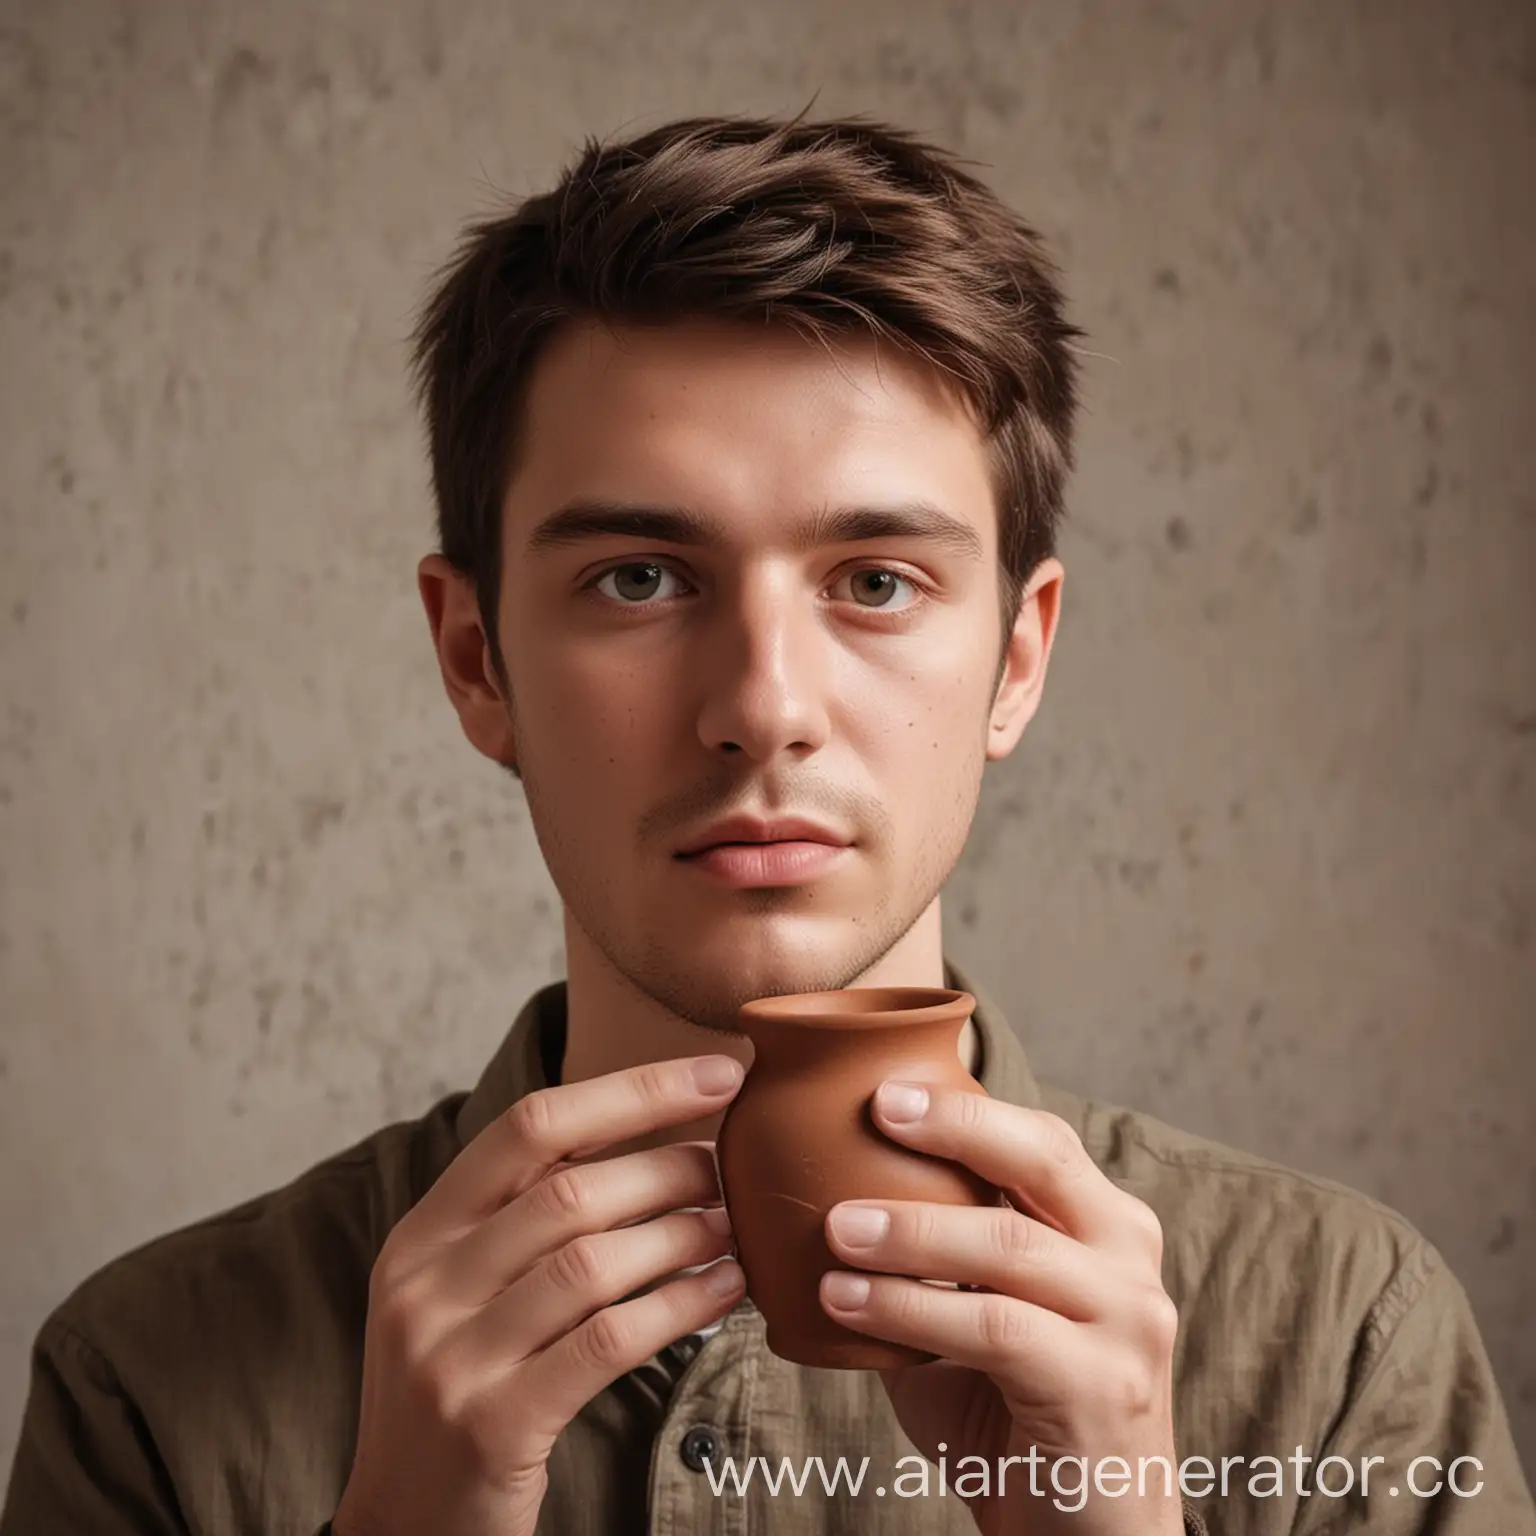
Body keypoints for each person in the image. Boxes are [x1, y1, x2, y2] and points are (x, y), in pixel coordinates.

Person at [1, 108, 1531, 1536]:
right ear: (478, 662)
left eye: (875, 582)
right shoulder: (147, 1387)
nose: (763, 706)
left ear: (1017, 658)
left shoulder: (1345, 1343)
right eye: (641, 578)